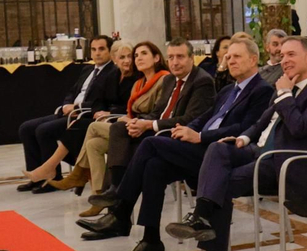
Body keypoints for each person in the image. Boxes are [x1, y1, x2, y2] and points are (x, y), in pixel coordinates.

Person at [76, 38, 273, 251]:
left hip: (220, 153)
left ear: (254, 59)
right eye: (228, 56)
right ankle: (151, 241)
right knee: (153, 167)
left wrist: (199, 136)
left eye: (236, 56)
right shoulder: (229, 90)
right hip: (199, 146)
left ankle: (121, 207)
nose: (230, 60)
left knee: (150, 144)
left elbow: (244, 128)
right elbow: (205, 116)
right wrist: (187, 130)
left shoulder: (262, 90)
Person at [162, 36, 307, 251]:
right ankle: (202, 217)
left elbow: (299, 127)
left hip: (287, 165)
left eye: (291, 55)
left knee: (220, 182)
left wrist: (286, 94)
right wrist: (243, 138)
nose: (284, 60)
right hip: (259, 153)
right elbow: (262, 121)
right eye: (283, 55)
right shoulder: (285, 87)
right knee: (218, 148)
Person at [87, 39, 215, 207]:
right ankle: (115, 190)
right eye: (171, 57)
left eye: (180, 57)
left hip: (175, 134)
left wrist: (148, 125)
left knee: (129, 144)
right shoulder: (169, 80)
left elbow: (190, 119)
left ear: (192, 59)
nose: (174, 62)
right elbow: (157, 112)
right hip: (155, 129)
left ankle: (117, 198)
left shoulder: (201, 81)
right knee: (114, 132)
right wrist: (139, 123)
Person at [22, 38, 140, 189]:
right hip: (90, 114)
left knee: (53, 129)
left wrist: (102, 111)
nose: (126, 61)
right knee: (26, 128)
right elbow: (89, 97)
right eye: (122, 57)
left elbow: (129, 106)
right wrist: (70, 105)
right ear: (115, 58)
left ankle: (55, 170)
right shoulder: (106, 74)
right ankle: (50, 175)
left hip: (98, 116)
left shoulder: (129, 77)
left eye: (130, 56)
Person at [69, 41, 170, 196]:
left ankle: (78, 174)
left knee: (93, 127)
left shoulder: (164, 79)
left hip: (146, 129)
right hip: (130, 126)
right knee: (93, 144)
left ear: (156, 58)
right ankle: (98, 193)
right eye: (136, 55)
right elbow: (114, 104)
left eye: (143, 54)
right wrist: (126, 118)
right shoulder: (138, 83)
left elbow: (159, 112)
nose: (137, 58)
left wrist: (130, 120)